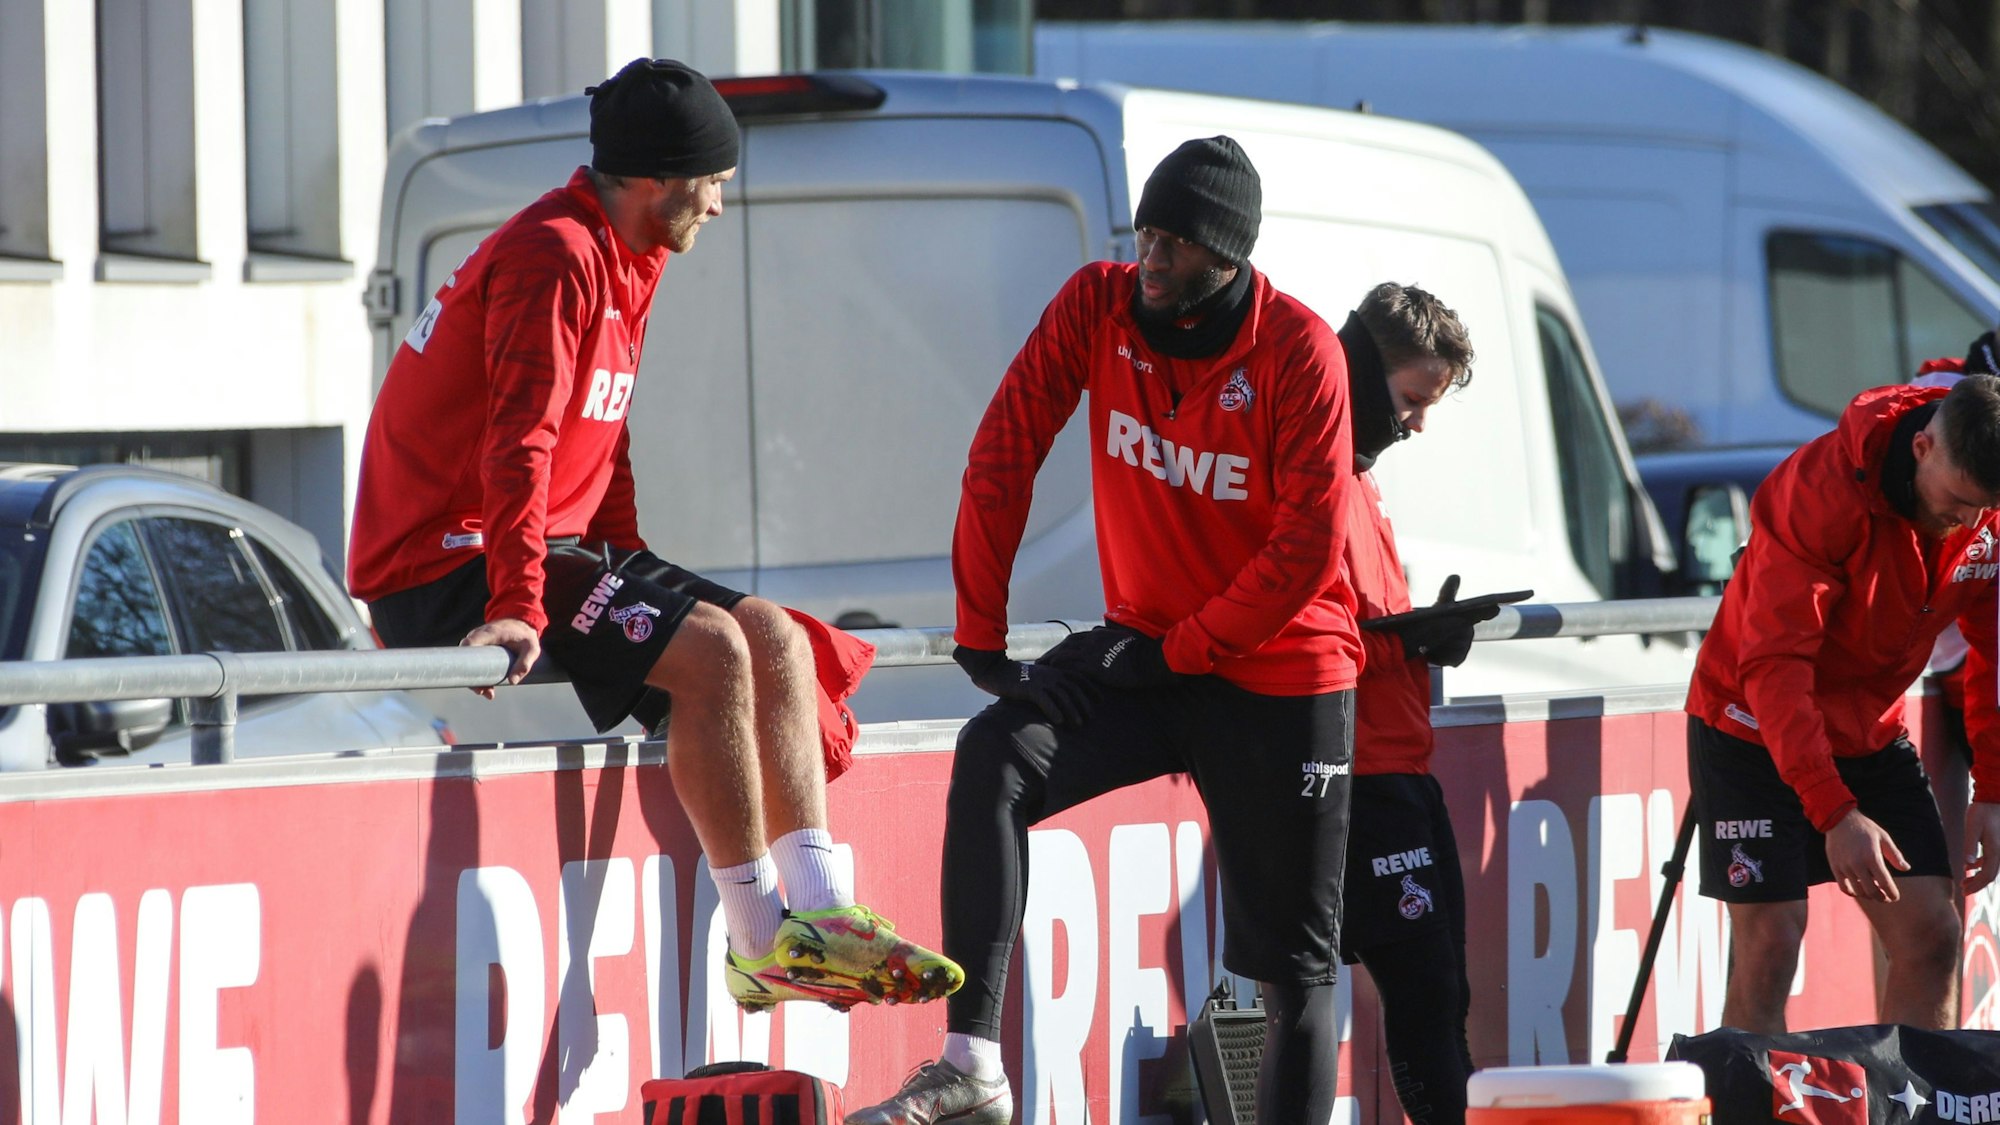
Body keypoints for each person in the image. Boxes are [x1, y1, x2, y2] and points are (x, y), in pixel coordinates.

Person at [348, 57, 959, 1014]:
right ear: (654, 178)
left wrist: (628, 559)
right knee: (713, 652)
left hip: (544, 538)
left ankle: (824, 913)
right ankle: (760, 940)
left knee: (778, 638)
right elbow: (521, 443)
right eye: (712, 182)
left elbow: (605, 423)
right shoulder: (555, 252)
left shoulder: (630, 250)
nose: (719, 204)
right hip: (446, 560)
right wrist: (515, 607)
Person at [847, 136, 1360, 1125]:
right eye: (1147, 234)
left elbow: (1302, 552)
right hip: (1147, 651)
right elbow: (1003, 448)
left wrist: (1176, 650)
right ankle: (972, 1065)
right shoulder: (1096, 302)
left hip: (1280, 671)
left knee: (1280, 964)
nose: (1150, 259)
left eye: (1174, 244)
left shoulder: (1298, 352)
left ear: (1227, 258)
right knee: (996, 752)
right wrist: (980, 636)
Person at [1684, 371, 2000, 1034]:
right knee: (1771, 941)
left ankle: (1916, 1106)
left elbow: (1996, 652)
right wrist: (1834, 811)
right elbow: (1774, 664)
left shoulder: (1983, 502)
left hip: (1871, 729)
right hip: (1753, 723)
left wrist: (1993, 790)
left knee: (1932, 935)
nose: (1969, 524)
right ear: (1922, 448)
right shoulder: (1820, 491)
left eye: (1986, 509)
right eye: (1960, 501)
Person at [1334, 282, 1482, 1125]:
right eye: (1412, 401)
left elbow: (1366, 625)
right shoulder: (1322, 474)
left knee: (1444, 992)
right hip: (1357, 775)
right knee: (1425, 998)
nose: (1417, 425)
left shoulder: (1362, 475)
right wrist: (1413, 639)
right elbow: (1314, 645)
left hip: (1402, 768)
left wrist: (1427, 632)